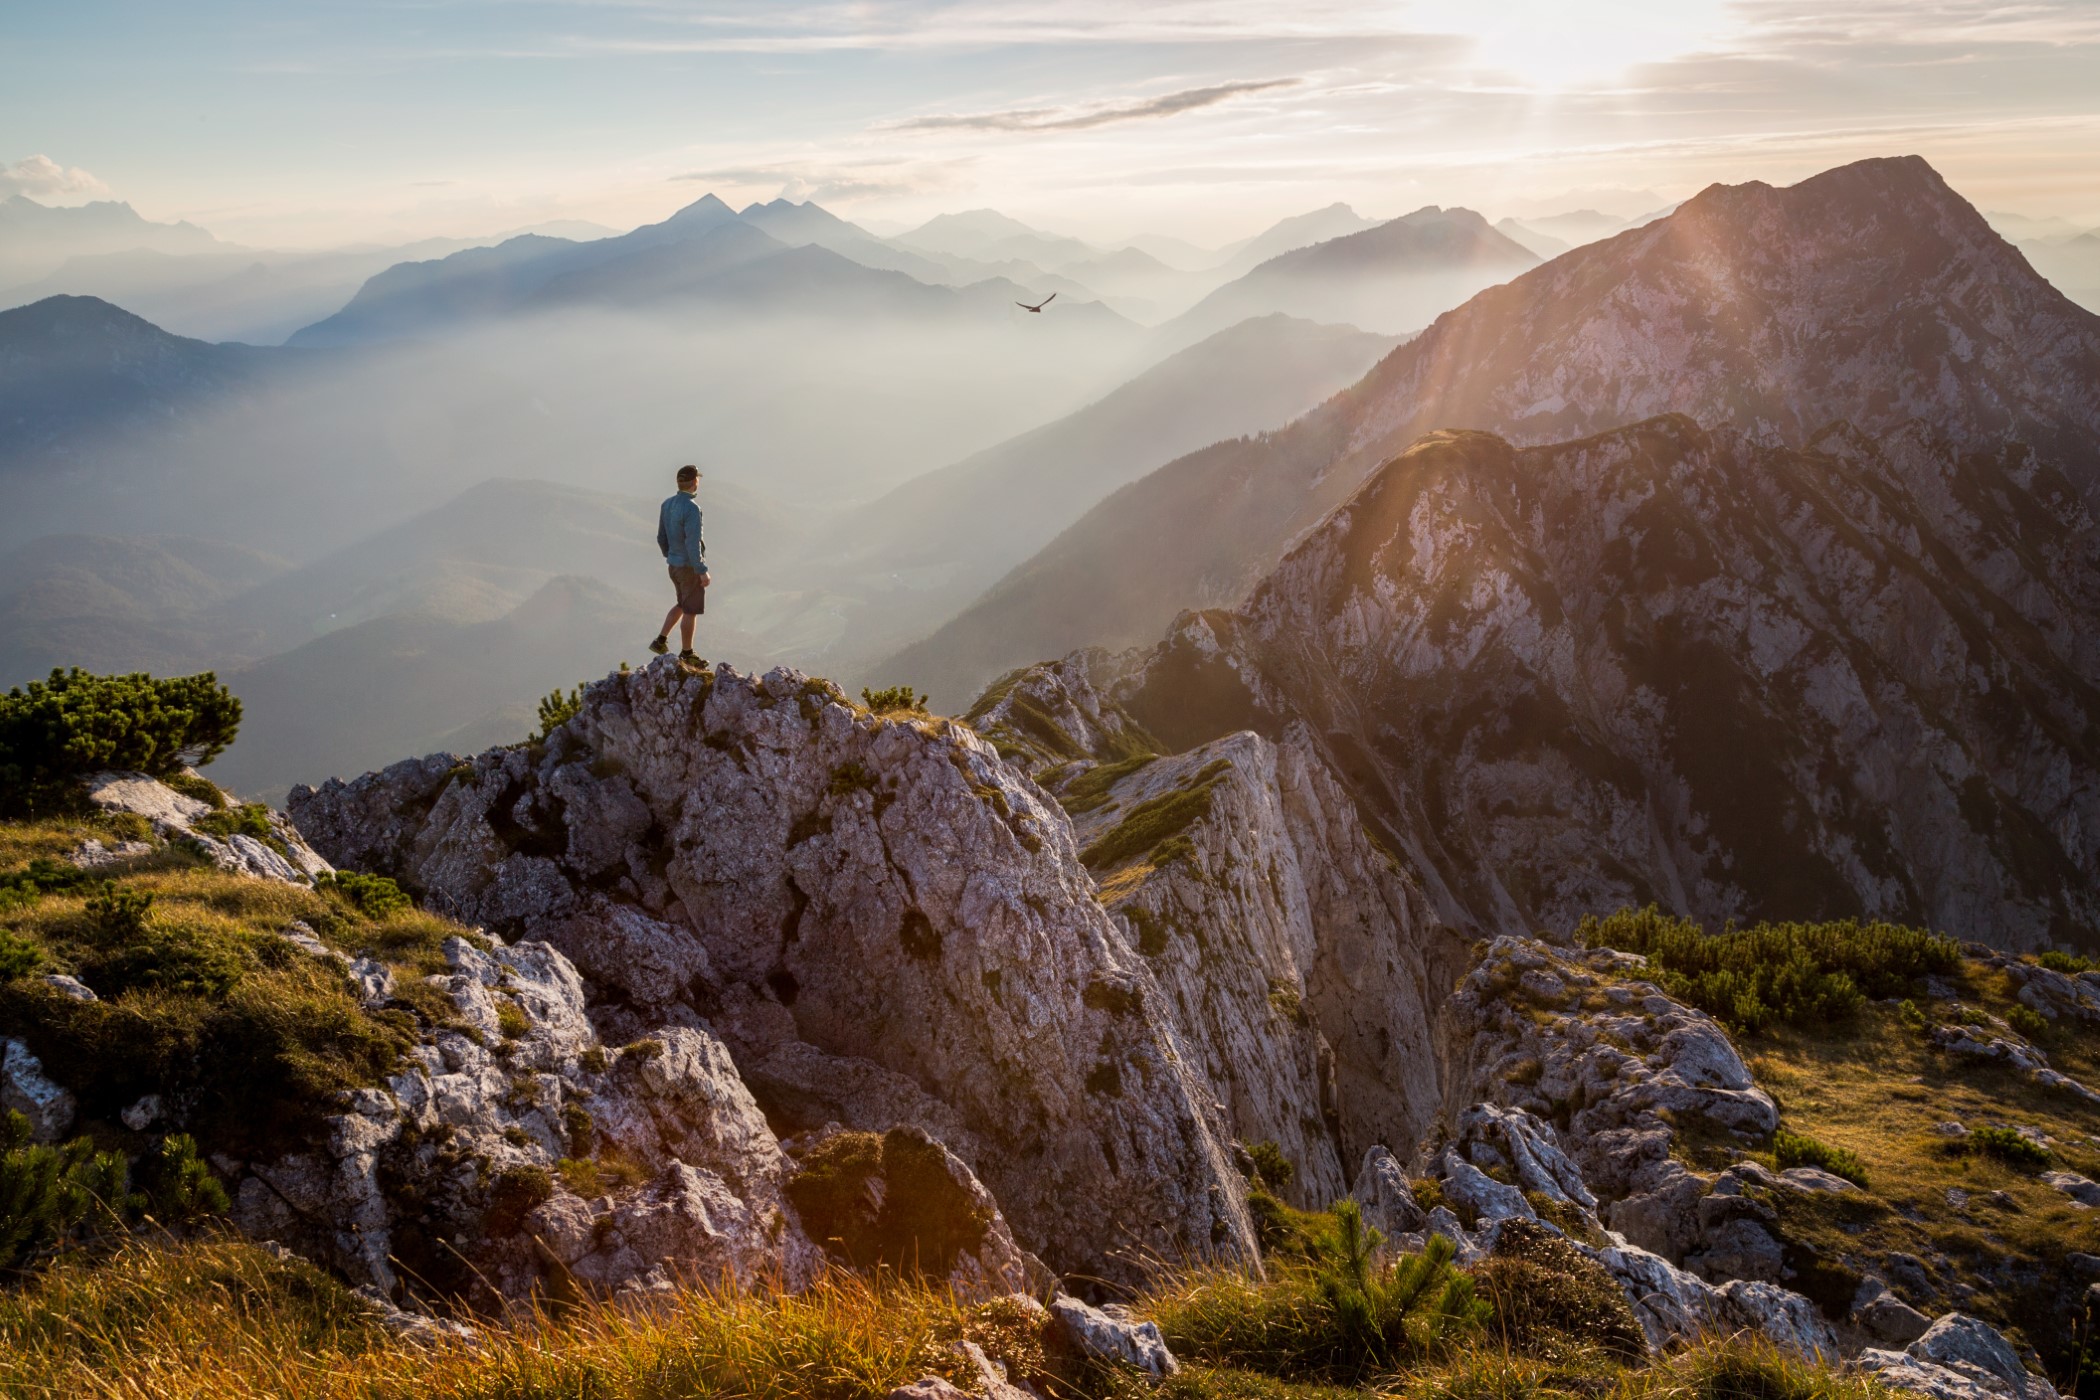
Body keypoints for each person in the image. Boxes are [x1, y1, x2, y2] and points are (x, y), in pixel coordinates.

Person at [650, 464, 709, 664]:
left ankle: (660, 640)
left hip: (674, 565)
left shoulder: (667, 504)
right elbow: (693, 543)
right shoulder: (692, 509)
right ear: (694, 482)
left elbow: (660, 537)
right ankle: (687, 653)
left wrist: (671, 555)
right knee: (690, 610)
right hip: (688, 568)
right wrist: (701, 571)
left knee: (682, 605)